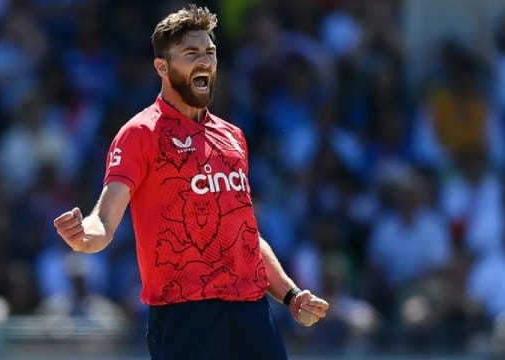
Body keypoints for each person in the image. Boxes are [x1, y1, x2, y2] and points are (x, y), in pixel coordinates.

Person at [53, 5, 329, 359]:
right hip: (186, 315)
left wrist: (290, 295)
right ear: (162, 67)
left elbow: (244, 234)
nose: (204, 60)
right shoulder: (141, 133)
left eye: (210, 52)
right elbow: (104, 220)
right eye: (191, 53)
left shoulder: (232, 136)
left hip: (251, 313)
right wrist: (84, 237)